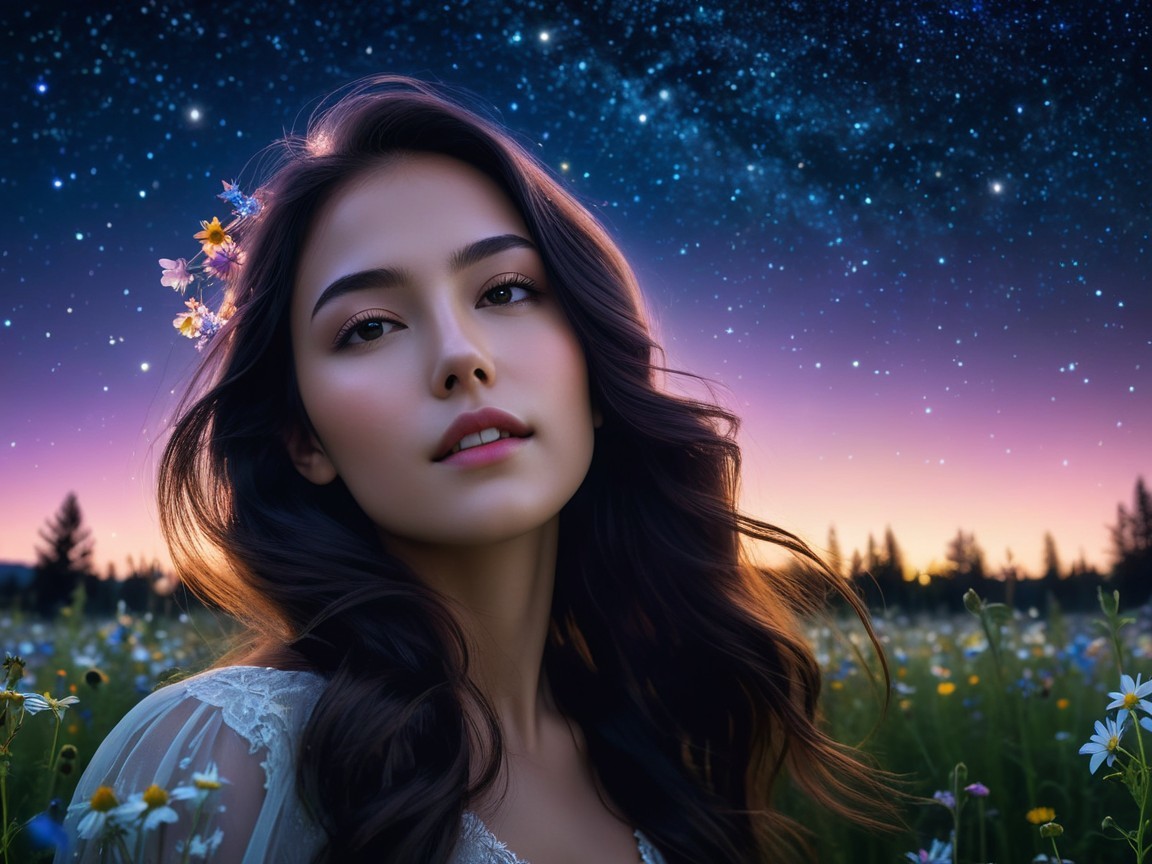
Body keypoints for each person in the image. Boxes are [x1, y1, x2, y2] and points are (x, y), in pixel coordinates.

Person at [58, 76, 895, 863]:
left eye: (505, 291)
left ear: (593, 374)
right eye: (371, 327)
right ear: (300, 438)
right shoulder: (226, 755)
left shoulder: (658, 742)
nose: (463, 358)